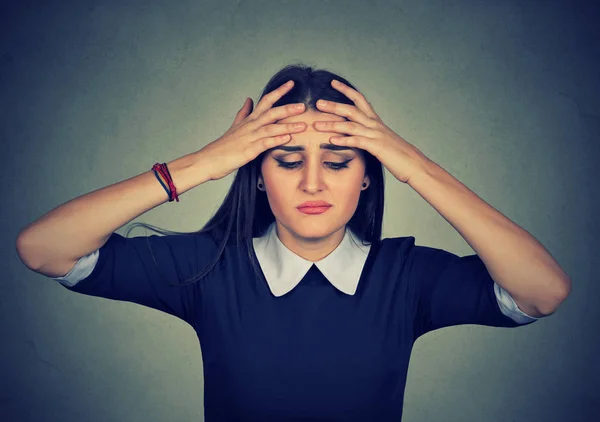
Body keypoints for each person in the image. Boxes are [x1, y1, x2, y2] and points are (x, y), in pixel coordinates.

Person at [16, 63, 571, 421]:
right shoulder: (210, 269)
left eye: (337, 161)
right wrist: (202, 164)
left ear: (368, 174)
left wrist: (415, 165)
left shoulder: (407, 277)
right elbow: (43, 249)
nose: (312, 183)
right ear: (256, 173)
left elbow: (543, 292)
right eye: (286, 161)